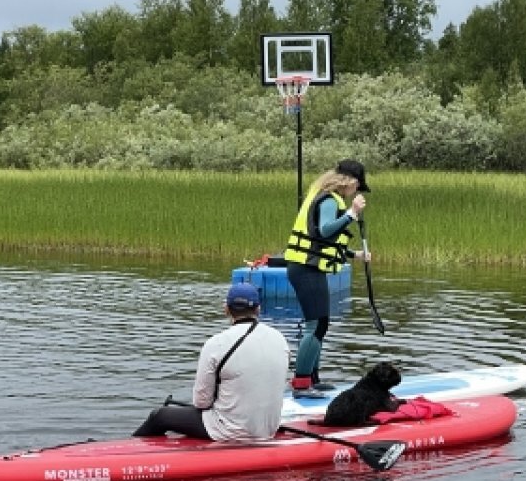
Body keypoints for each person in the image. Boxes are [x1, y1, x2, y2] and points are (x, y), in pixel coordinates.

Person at [133, 283, 289, 440]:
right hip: (268, 428)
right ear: (258, 309)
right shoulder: (280, 339)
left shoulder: (217, 343)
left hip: (229, 430)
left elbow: (201, 402)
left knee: (160, 416)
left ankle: (127, 453)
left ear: (226, 309)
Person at [283, 159, 370, 399]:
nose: (357, 191)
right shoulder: (330, 199)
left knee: (319, 325)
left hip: (307, 267)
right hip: (306, 269)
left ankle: (312, 378)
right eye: (358, 186)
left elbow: (321, 241)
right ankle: (301, 384)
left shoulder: (323, 196)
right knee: (317, 325)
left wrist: (355, 254)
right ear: (350, 182)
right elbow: (324, 230)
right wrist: (352, 213)